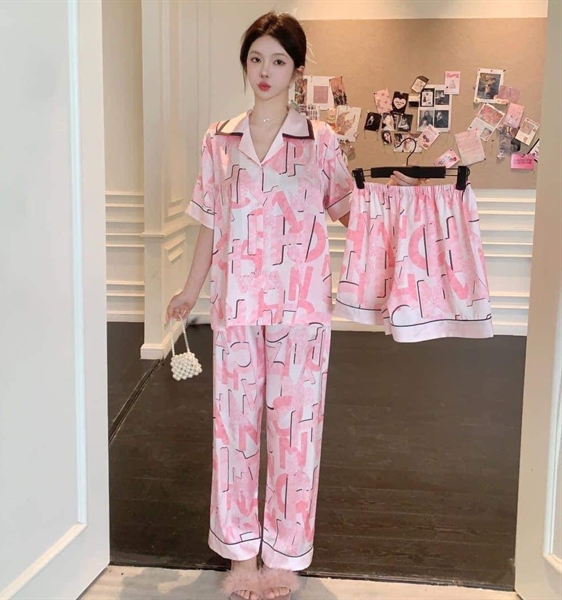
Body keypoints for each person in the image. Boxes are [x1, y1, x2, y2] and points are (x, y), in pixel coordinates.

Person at [165, 12, 420, 600]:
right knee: (233, 432)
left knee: (294, 433)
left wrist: (392, 200)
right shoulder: (219, 140)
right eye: (256, 58)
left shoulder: (321, 141)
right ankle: (239, 554)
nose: (265, 71)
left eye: (278, 60)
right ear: (245, 64)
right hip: (235, 306)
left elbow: (349, 211)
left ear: (297, 70)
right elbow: (210, 223)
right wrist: (189, 289)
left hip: (301, 309)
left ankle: (284, 556)